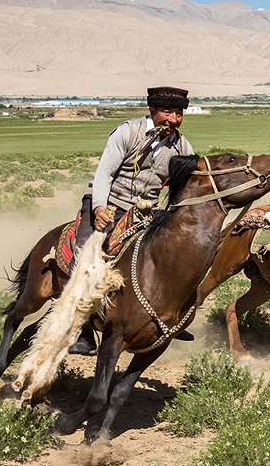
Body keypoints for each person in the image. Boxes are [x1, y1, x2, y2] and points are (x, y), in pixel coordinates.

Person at [69, 86, 195, 355]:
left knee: (171, 260)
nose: (172, 119)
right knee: (84, 260)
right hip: (109, 206)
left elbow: (184, 187)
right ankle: (84, 331)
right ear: (152, 110)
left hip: (145, 214)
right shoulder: (127, 131)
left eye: (178, 114)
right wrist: (100, 208)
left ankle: (167, 316)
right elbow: (104, 172)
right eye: (167, 112)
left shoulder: (182, 146)